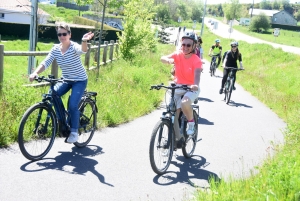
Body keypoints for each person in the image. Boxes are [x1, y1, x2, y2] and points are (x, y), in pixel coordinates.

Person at [28, 22, 94, 143]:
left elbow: (83, 50)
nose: (62, 36)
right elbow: (46, 62)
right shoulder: (56, 49)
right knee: (52, 94)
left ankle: (74, 132)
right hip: (66, 79)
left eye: (64, 34)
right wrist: (35, 73)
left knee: (73, 105)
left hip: (79, 80)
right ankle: (62, 121)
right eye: (59, 34)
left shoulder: (73, 46)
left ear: (69, 34)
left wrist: (84, 41)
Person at [160, 31, 203, 145]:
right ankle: (177, 139)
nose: (185, 47)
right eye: (183, 44)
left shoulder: (196, 60)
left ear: (194, 46)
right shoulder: (177, 55)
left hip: (191, 88)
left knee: (184, 103)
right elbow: (162, 57)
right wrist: (168, 60)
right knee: (173, 113)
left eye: (189, 45)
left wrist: (195, 85)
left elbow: (197, 74)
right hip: (177, 87)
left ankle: (191, 123)